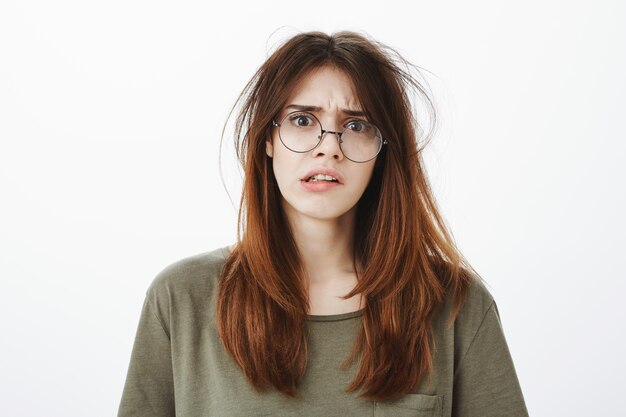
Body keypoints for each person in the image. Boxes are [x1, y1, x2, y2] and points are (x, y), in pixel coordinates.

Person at [117, 31, 529, 417]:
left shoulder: (456, 306)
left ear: (383, 150)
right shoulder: (181, 299)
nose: (329, 147)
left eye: (357, 125)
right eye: (301, 120)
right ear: (267, 138)